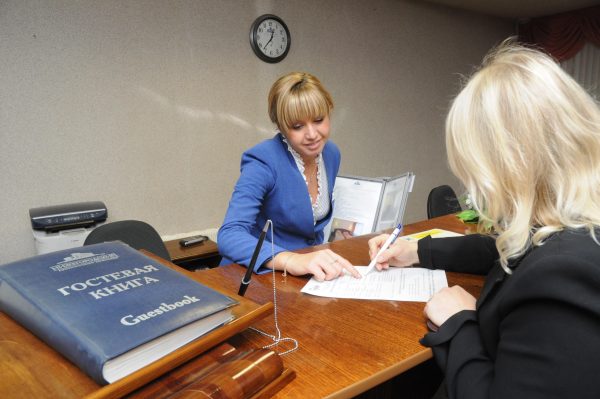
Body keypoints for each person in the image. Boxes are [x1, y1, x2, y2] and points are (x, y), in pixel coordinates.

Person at [368, 40, 600, 398]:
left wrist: (461, 322)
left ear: (512, 165)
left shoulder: (566, 273)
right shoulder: (573, 225)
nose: (476, 191)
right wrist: (416, 251)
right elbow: (508, 248)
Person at [218, 72, 360, 281]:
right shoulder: (263, 162)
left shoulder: (331, 154)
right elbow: (229, 234)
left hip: (307, 273)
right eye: (297, 126)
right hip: (259, 276)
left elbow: (309, 227)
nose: (312, 134)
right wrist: (291, 260)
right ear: (281, 127)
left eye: (319, 120)